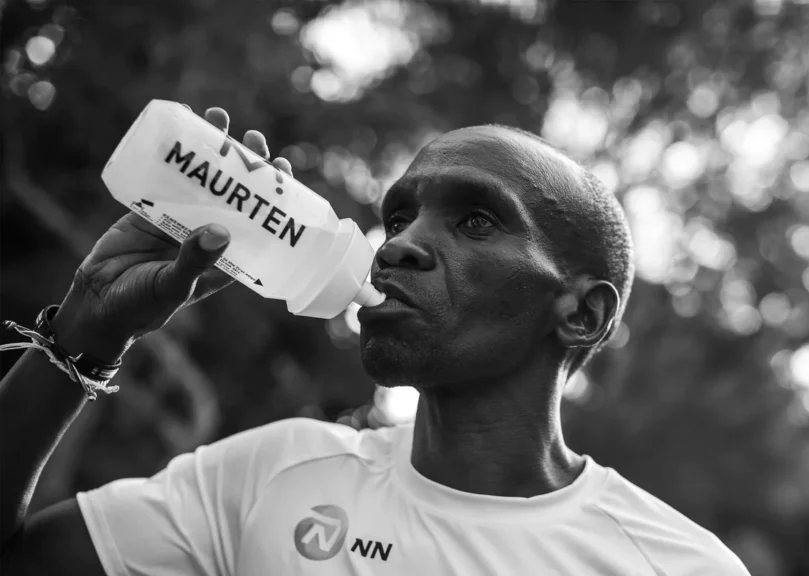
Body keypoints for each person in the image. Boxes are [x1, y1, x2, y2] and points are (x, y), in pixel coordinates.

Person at [0, 107, 750, 575]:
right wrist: (84, 336)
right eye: (398, 218)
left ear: (582, 314)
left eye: (477, 222)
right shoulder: (274, 474)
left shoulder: (673, 564)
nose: (397, 248)